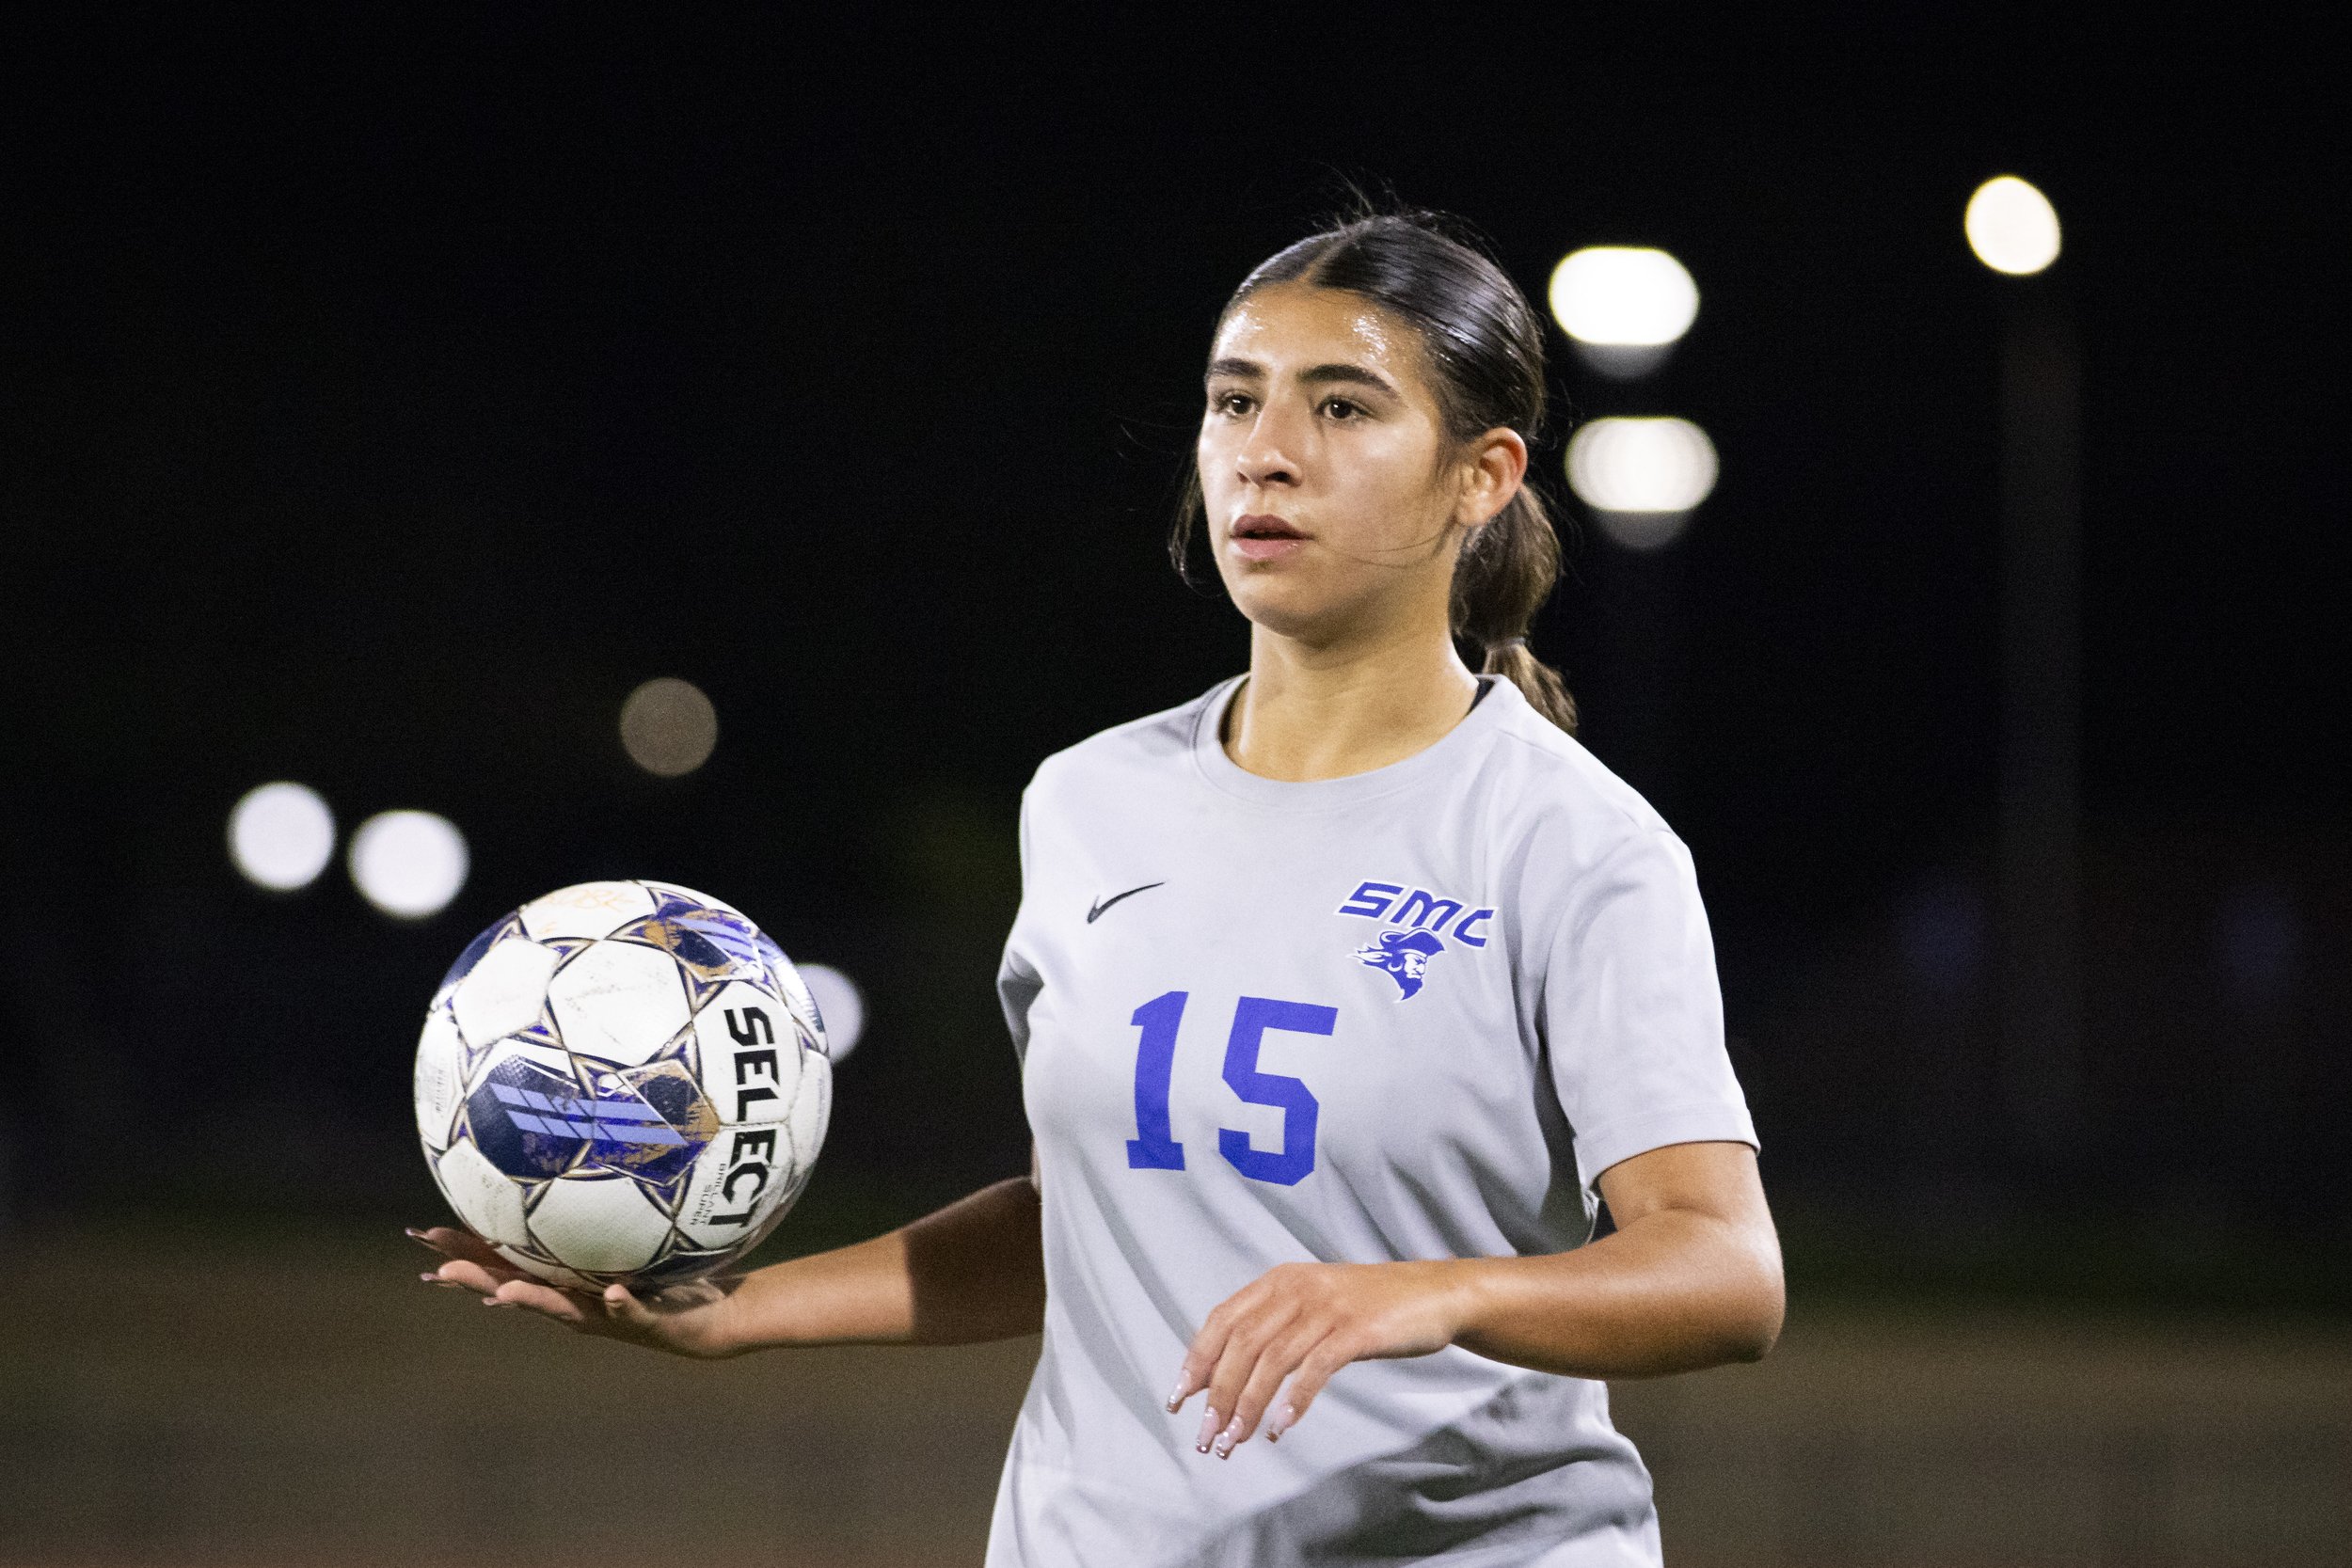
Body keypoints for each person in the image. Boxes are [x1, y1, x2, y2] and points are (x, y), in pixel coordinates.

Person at [418, 210, 1783, 1567]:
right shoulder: (1088, 801)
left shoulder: (1571, 845)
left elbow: (1726, 1273)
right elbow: (1088, 1221)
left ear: (1481, 476)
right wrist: (740, 1310)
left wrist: (1430, 1295)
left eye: (1345, 408)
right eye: (1235, 401)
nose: (1269, 451)